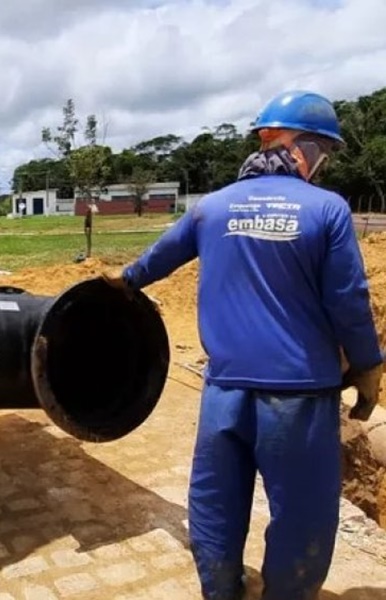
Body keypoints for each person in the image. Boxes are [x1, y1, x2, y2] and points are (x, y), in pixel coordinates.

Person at [105, 90, 384, 599]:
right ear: (301, 147)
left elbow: (151, 264)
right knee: (302, 515)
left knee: (214, 505)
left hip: (223, 395)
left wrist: (118, 283)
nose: (323, 165)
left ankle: (222, 590)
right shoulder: (328, 211)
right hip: (298, 399)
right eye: (324, 151)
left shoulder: (212, 208)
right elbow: (349, 299)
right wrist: (368, 367)